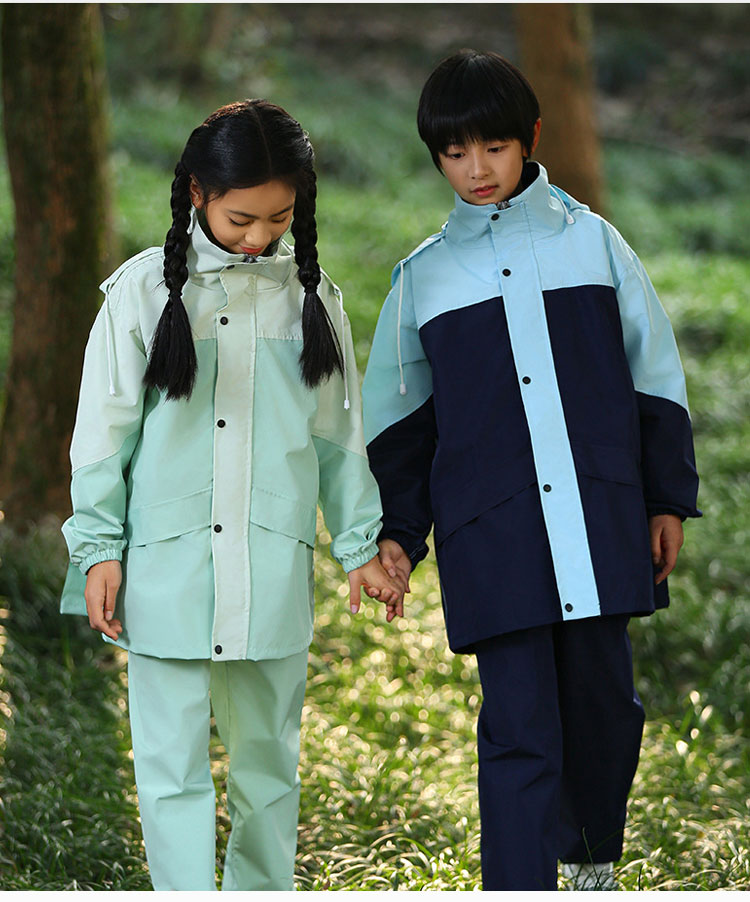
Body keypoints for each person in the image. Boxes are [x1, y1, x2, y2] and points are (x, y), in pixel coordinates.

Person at [361, 50, 700, 891]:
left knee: (605, 713)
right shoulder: (423, 280)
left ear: (532, 138)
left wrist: (665, 499)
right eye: (454, 153)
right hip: (494, 539)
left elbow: (655, 376)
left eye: (495, 147)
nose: (476, 169)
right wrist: (398, 534)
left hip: (599, 524)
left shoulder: (595, 244)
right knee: (519, 729)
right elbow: (399, 426)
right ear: (436, 157)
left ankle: (590, 866)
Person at [59, 99, 404, 891]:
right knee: (170, 771)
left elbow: (339, 437)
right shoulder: (141, 293)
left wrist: (360, 545)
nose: (257, 237)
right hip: (165, 572)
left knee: (269, 769)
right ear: (196, 193)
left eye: (278, 218)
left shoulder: (313, 301)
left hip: (270, 572)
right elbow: (103, 435)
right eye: (241, 218)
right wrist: (99, 549)